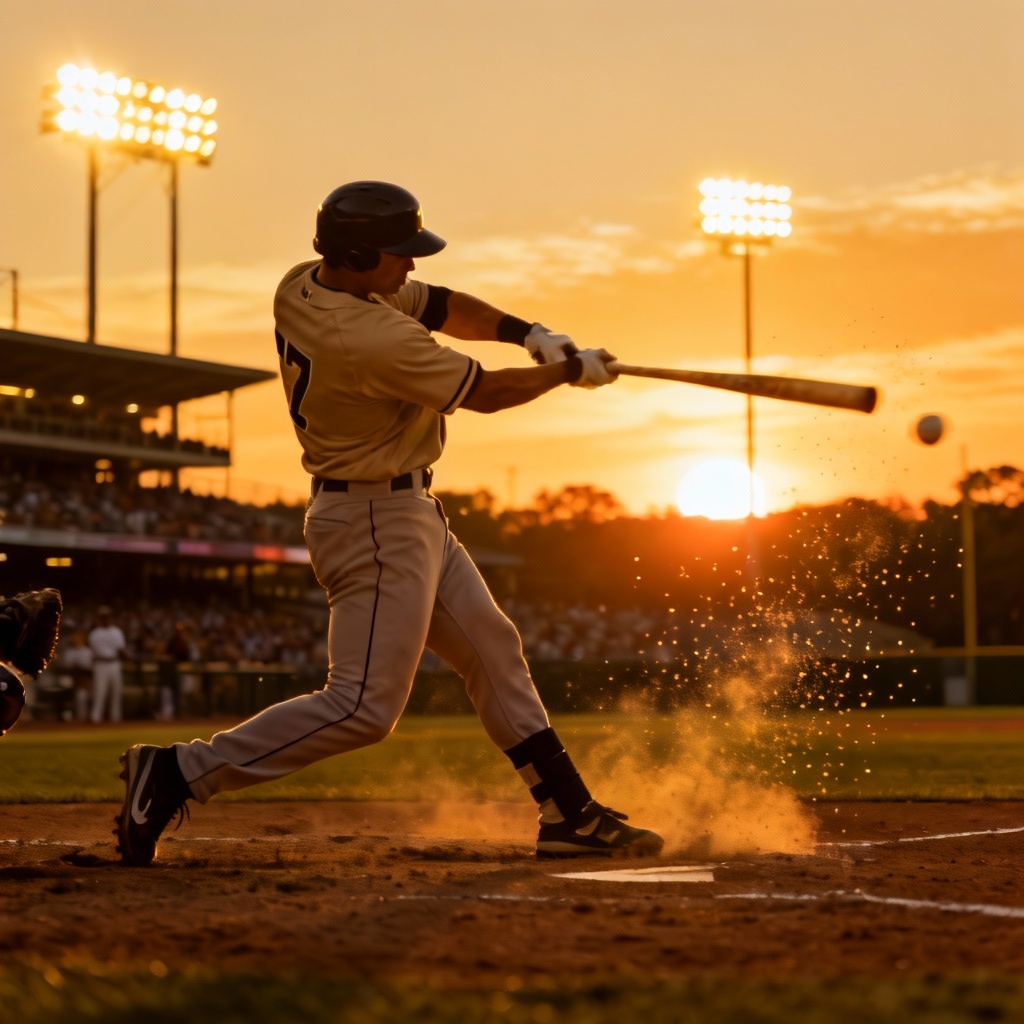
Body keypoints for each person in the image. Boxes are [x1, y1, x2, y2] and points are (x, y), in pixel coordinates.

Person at [115, 180, 663, 865]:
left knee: (494, 651)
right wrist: (565, 374)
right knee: (362, 707)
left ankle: (568, 813)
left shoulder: (307, 284)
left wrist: (528, 335)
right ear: (354, 253)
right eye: (398, 253)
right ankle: (178, 772)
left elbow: (438, 304)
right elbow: (485, 394)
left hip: (403, 510)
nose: (410, 266)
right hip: (373, 517)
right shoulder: (365, 334)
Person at [88, 606, 126, 723]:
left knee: (116, 692)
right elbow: (121, 651)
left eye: (107, 617)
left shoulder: (116, 631)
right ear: (99, 618)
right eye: (103, 617)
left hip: (114, 663)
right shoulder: (95, 633)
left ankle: (116, 719)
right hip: (101, 663)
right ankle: (96, 719)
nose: (105, 619)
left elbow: (120, 650)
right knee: (100, 692)